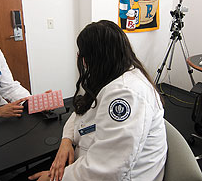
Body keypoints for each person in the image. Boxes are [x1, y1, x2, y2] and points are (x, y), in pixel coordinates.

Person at [28, 20, 167, 181]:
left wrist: (56, 177)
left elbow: (107, 170)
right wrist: (67, 139)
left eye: (82, 54)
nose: (80, 59)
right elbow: (81, 111)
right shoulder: (113, 75)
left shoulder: (126, 94)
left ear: (95, 58)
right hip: (90, 165)